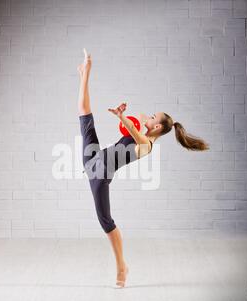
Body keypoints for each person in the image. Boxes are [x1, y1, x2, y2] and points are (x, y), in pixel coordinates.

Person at [77, 48, 209, 288]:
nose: (148, 116)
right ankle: (85, 73)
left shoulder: (147, 145)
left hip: (99, 175)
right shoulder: (146, 132)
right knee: (85, 115)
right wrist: (132, 116)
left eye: (152, 117)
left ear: (157, 128)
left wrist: (122, 117)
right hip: (92, 158)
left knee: (106, 221)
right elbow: (139, 123)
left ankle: (121, 267)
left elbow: (139, 135)